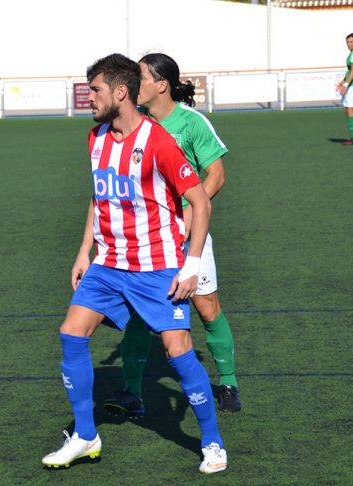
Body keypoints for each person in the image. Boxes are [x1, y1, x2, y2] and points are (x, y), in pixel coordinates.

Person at [41, 53, 227, 474]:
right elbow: (98, 196)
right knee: (71, 334)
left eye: (96, 90)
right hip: (107, 264)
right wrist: (83, 251)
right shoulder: (96, 139)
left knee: (178, 352)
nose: (88, 98)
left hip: (157, 267)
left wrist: (191, 264)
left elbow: (199, 201)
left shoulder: (159, 141)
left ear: (120, 92)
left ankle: (212, 441)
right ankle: (86, 435)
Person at [102, 53, 241, 420]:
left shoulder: (191, 123)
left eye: (141, 77)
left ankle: (228, 383)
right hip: (147, 240)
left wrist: (191, 211)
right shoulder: (135, 123)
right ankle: (132, 392)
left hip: (188, 236)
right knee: (135, 314)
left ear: (161, 85)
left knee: (207, 308)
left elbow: (216, 175)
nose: (134, 83)